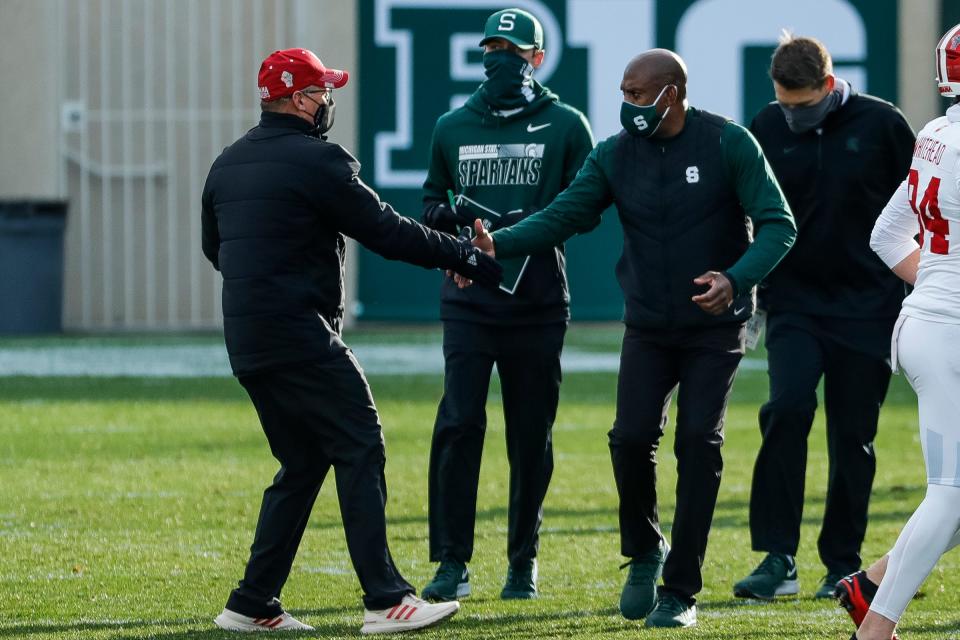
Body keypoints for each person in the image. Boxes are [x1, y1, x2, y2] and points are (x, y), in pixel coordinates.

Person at [472, 48, 796, 628]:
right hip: (648, 324)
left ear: (672, 92)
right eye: (623, 93)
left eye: (638, 94)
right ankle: (646, 549)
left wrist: (736, 278)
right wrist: (501, 242)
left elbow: (779, 223)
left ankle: (681, 592)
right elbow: (565, 213)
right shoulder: (615, 155)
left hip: (714, 328)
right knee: (628, 439)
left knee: (699, 442)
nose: (628, 105)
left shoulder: (728, 142)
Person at [201, 48, 501, 635]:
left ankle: (252, 600)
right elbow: (386, 230)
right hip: (300, 333)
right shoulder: (318, 161)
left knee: (305, 460)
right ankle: (386, 599)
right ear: (295, 100)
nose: (328, 103)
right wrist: (465, 255)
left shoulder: (226, 163)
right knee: (361, 444)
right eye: (321, 92)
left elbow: (217, 251)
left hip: (248, 337)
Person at [417, 7, 595, 602]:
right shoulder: (451, 124)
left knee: (530, 435)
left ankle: (524, 559)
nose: (501, 59)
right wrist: (448, 233)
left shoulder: (568, 124)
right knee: (459, 423)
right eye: (493, 47)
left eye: (514, 51)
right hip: (468, 300)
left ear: (537, 59)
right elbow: (431, 200)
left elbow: (588, 207)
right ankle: (451, 561)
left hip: (538, 303)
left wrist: (525, 229)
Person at [732, 34, 915, 602]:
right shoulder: (764, 125)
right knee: (785, 410)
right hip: (794, 303)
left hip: (870, 309)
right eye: (784, 102)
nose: (792, 115)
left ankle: (842, 563)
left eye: (803, 104)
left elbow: (925, 204)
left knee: (852, 437)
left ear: (830, 87)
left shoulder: (883, 125)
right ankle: (777, 557)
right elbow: (745, 209)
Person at [837, 23, 960, 640]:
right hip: (949, 337)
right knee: (952, 492)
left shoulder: (936, 134)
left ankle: (872, 581)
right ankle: (875, 627)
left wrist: (939, 287)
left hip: (927, 325)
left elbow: (887, 236)